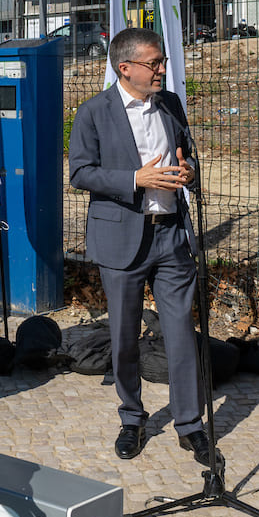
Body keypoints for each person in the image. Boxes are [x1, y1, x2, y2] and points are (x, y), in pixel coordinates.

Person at [68, 27, 219, 466]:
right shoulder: (94, 112)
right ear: (125, 67)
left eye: (162, 62)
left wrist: (188, 171)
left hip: (171, 233)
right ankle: (132, 418)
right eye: (154, 63)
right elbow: (80, 173)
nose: (162, 69)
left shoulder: (169, 104)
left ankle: (191, 426)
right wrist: (136, 179)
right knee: (125, 335)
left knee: (180, 333)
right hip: (122, 237)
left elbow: (185, 151)